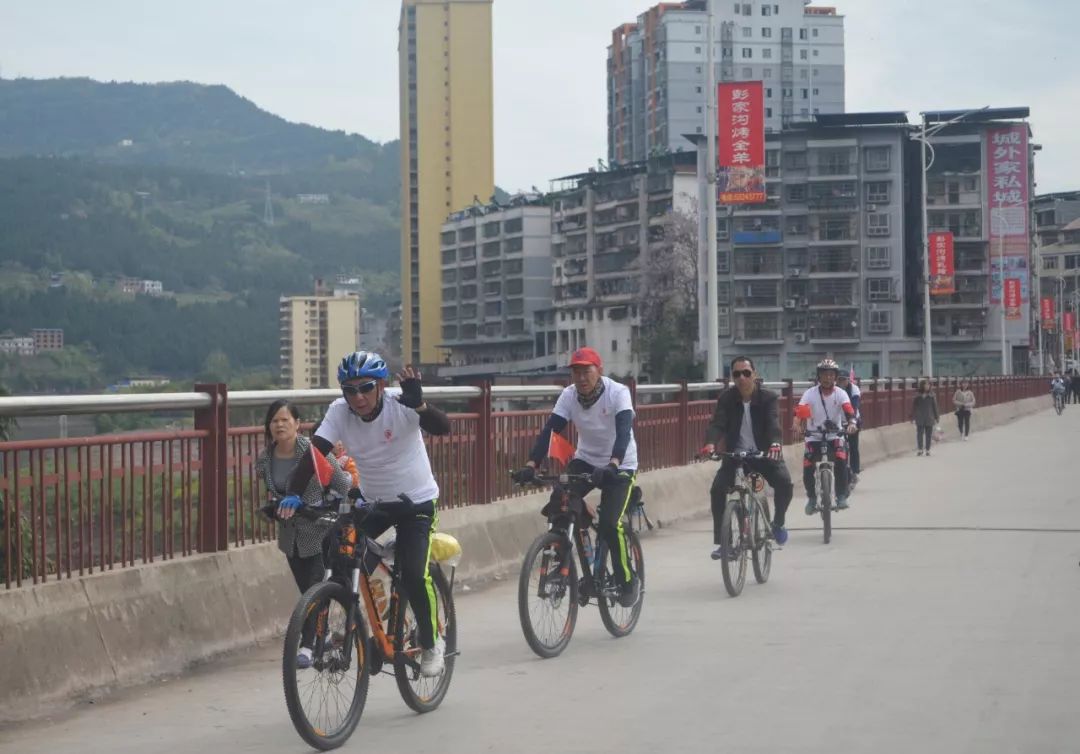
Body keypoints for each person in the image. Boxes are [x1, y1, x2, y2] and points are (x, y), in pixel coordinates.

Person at [286, 351, 452, 677]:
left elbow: (443, 427)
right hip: (373, 501)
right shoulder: (339, 412)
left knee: (416, 575)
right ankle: (353, 621)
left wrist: (420, 406)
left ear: (381, 385)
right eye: (350, 390)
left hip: (415, 503)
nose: (358, 397)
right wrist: (291, 494)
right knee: (337, 549)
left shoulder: (400, 406)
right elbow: (313, 456)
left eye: (365, 388)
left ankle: (432, 643)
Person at [515, 347, 641, 608]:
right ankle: (561, 559)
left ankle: (627, 581)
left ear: (600, 371)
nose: (581, 378)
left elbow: (624, 432)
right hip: (586, 460)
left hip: (620, 464)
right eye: (576, 372)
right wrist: (531, 464)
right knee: (559, 500)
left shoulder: (618, 393)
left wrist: (614, 463)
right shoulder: (569, 396)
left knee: (609, 524)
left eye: (587, 371)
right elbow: (551, 431)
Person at [255, 399, 352, 669]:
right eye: (274, 420)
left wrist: (322, 501)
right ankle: (326, 634)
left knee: (312, 590)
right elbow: (275, 493)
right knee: (307, 593)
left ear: (298, 424)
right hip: (290, 537)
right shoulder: (265, 460)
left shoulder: (312, 450)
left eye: (286, 419)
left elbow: (343, 482)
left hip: (320, 530)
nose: (280, 425)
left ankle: (308, 645)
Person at [702, 356, 794, 553]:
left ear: (755, 375)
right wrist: (710, 444)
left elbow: (773, 424)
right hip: (736, 456)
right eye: (737, 374)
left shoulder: (768, 397)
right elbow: (718, 423)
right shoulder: (727, 398)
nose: (742, 378)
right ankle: (723, 542)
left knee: (784, 483)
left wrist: (775, 444)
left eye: (746, 373)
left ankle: (777, 523)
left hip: (764, 454)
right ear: (732, 378)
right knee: (717, 490)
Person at [794, 359, 856, 514]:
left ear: (835, 377)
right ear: (818, 376)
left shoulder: (841, 393)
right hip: (813, 436)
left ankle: (841, 496)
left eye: (831, 375)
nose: (828, 378)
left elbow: (848, 410)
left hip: (835, 435)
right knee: (808, 466)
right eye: (824, 374)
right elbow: (800, 412)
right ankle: (812, 498)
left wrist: (851, 423)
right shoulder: (810, 393)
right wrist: (797, 424)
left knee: (841, 459)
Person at [836, 371, 862, 488]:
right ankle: (842, 473)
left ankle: (855, 471)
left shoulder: (854, 389)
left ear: (848, 380)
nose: (842, 382)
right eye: (839, 380)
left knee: (853, 446)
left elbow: (854, 406)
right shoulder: (834, 390)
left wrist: (852, 421)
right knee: (840, 448)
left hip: (852, 420)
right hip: (838, 421)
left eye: (844, 380)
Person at [911, 380, 940, 456]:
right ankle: (920, 449)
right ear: (922, 385)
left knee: (928, 435)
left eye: (928, 385)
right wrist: (912, 417)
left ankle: (928, 450)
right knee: (919, 434)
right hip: (920, 417)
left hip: (929, 417)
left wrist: (937, 417)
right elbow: (914, 407)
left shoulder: (932, 395)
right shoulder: (917, 395)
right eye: (925, 385)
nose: (927, 386)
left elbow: (935, 407)